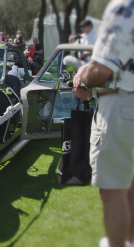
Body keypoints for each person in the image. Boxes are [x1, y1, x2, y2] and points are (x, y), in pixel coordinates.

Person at [72, 1, 134, 247]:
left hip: (122, 106)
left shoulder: (124, 7)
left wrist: (83, 81)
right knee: (130, 186)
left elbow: (101, 68)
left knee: (113, 191)